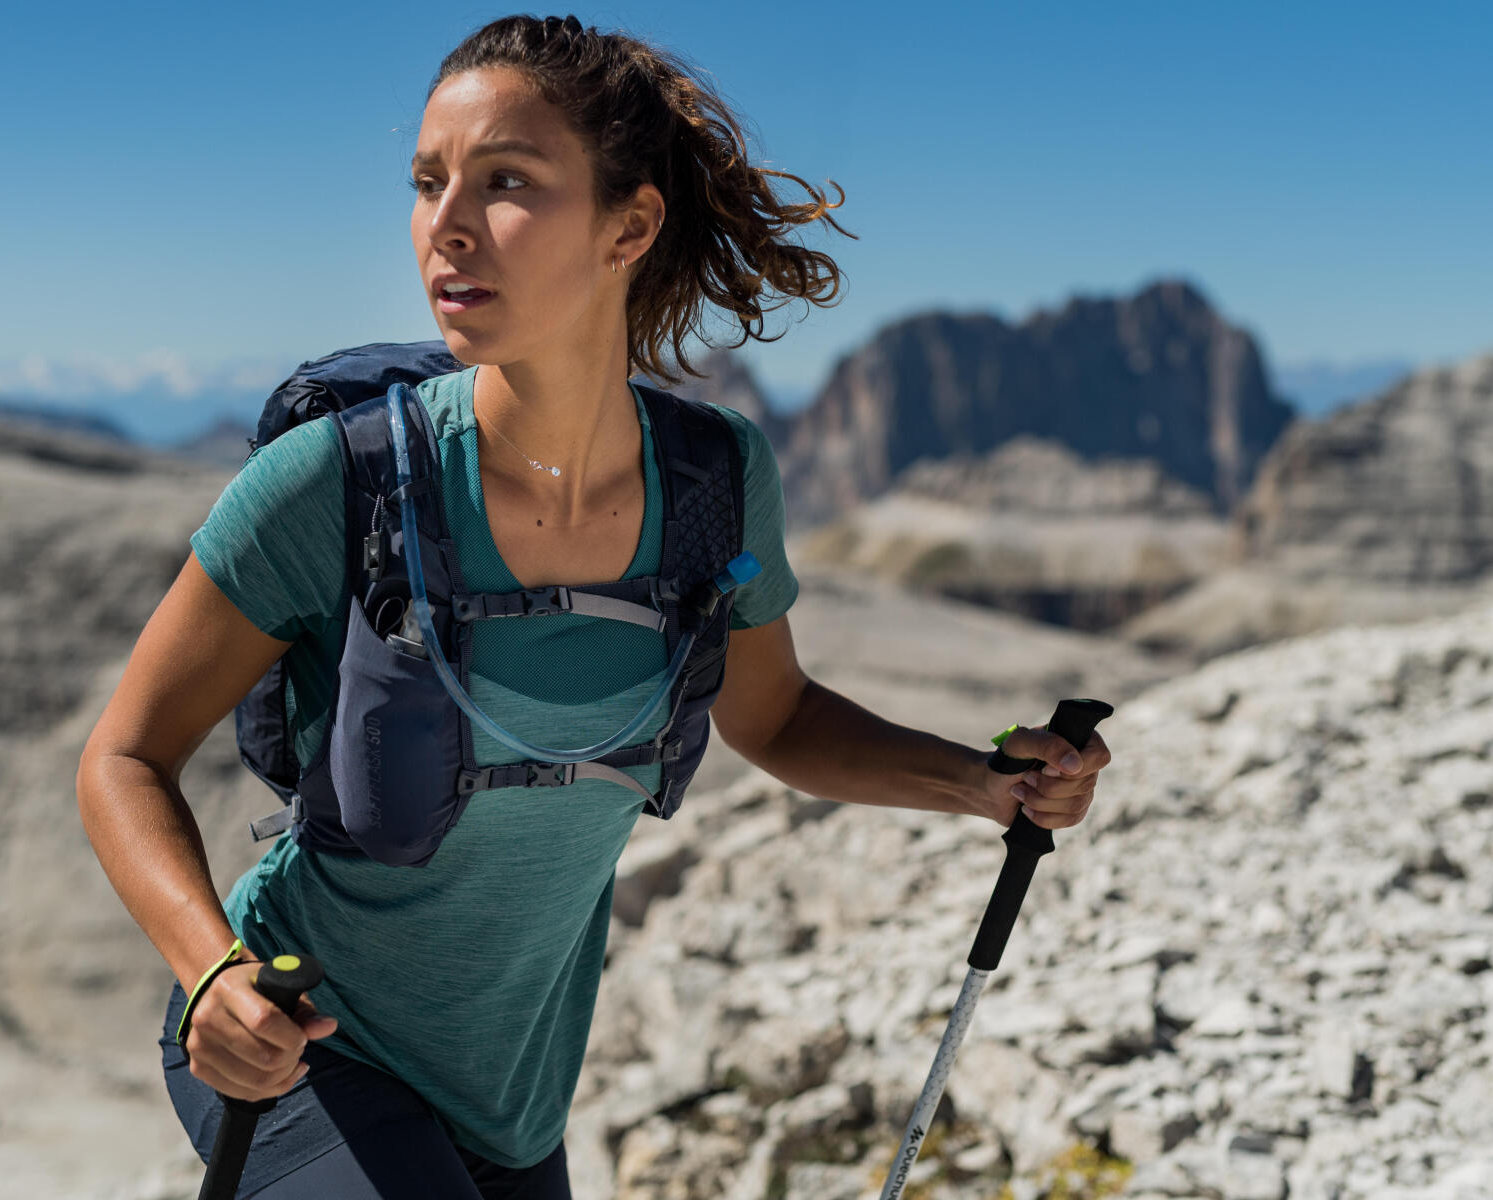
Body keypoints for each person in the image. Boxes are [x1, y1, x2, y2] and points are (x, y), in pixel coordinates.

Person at [76, 13, 1113, 1199]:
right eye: (427, 184)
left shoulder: (717, 482)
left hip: (513, 1099)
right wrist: (211, 975)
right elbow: (123, 756)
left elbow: (773, 720)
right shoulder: (338, 479)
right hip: (305, 1041)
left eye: (506, 182)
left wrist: (982, 783)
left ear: (629, 224)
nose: (447, 225)